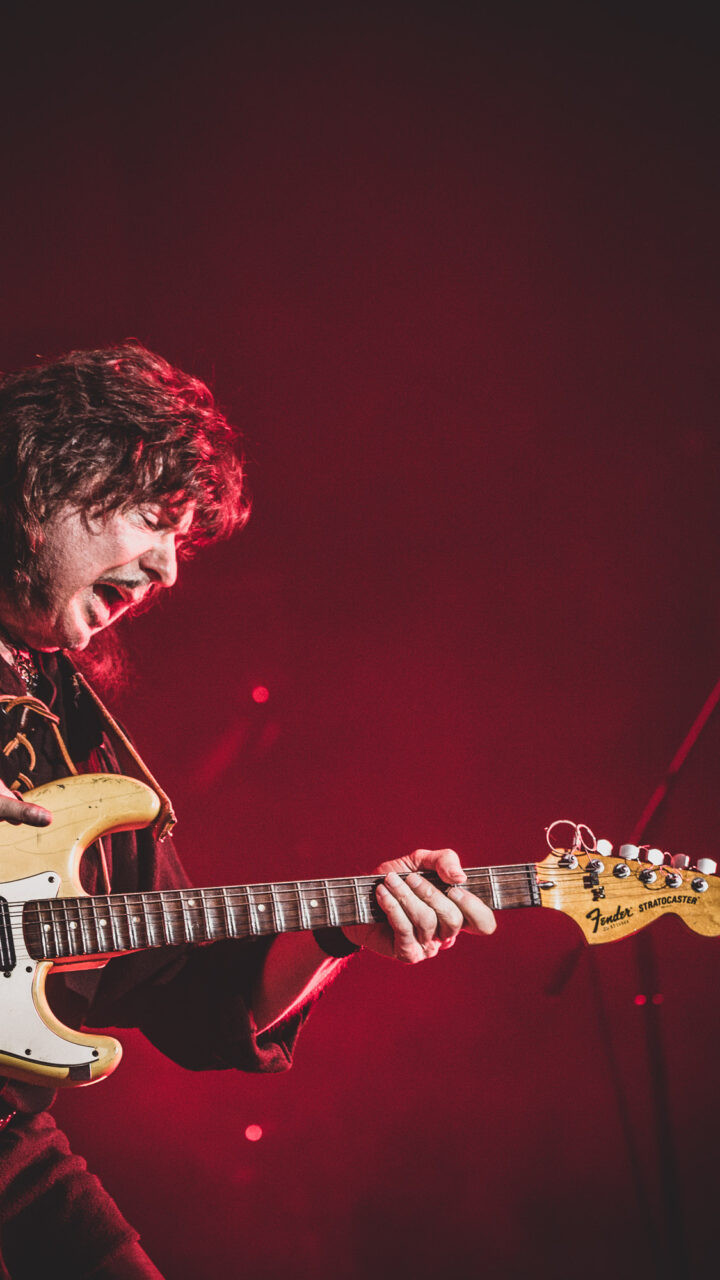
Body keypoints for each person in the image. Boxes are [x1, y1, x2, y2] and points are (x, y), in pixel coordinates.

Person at [0, 342, 496, 1278]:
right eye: (157, 521)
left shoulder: (76, 736)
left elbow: (182, 987)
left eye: (183, 544)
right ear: (50, 473)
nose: (169, 572)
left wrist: (341, 932)